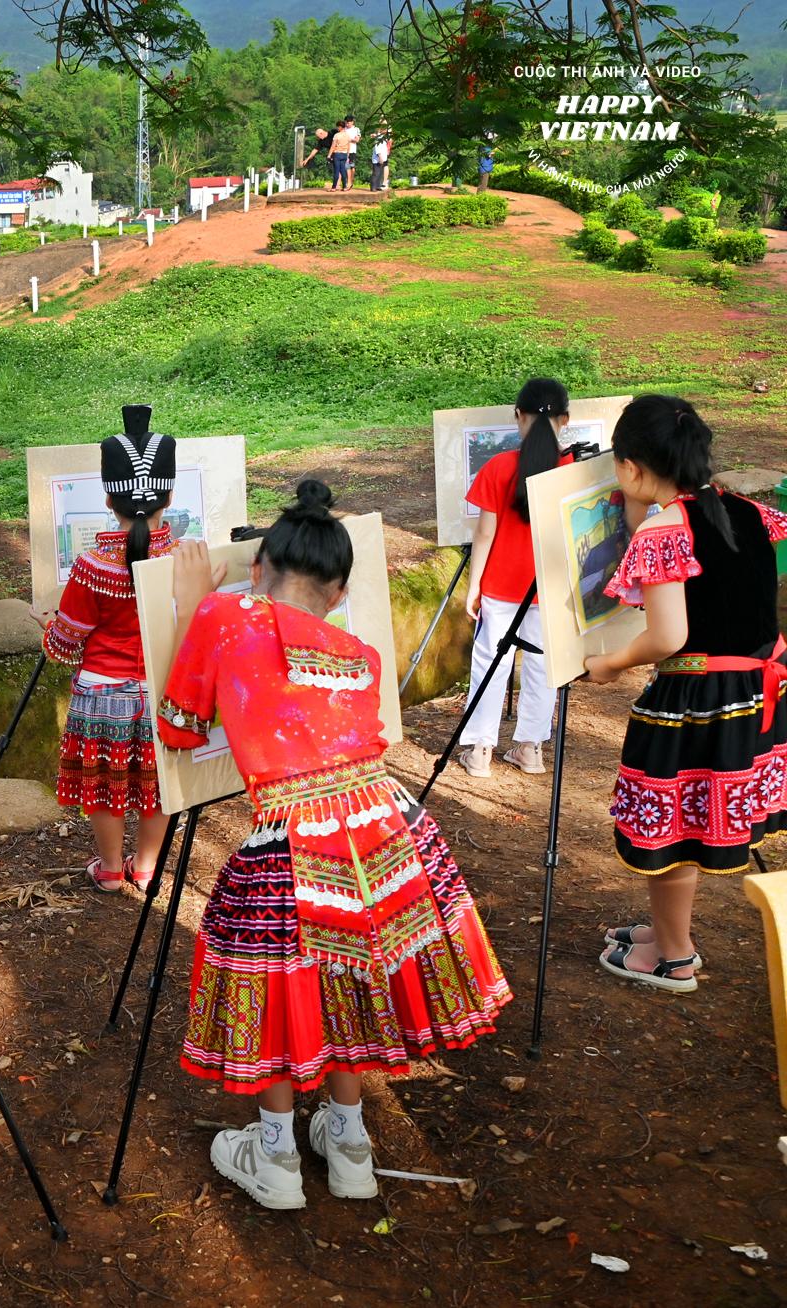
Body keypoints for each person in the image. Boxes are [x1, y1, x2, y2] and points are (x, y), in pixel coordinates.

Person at [158, 480, 512, 1211]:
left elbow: (178, 727)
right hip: (386, 827)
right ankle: (350, 1146)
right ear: (342, 590)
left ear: (256, 571)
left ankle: (278, 1156)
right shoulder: (359, 653)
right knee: (354, 974)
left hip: (291, 836)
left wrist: (192, 603)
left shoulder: (224, 616)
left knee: (279, 978)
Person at [587, 396, 787, 993]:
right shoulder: (750, 512)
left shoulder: (664, 530)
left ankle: (673, 956)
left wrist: (609, 662)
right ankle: (666, 930)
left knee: (672, 828)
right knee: (694, 819)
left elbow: (668, 635)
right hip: (755, 691)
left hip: (698, 701)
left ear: (628, 467)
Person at [41, 406, 176, 890]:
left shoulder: (92, 565)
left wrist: (50, 628)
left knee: (104, 786)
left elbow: (64, 643)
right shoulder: (187, 559)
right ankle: (147, 867)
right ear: (171, 495)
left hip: (101, 694)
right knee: (159, 785)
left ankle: (112, 870)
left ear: (106, 497)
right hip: (163, 693)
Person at [456, 378, 574, 778]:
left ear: (518, 417)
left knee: (491, 662)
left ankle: (480, 752)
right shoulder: (572, 469)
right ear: (565, 420)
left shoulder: (497, 467)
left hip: (501, 586)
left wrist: (474, 585)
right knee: (543, 665)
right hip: (550, 588)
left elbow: (485, 533)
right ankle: (531, 749)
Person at [339, 115, 361, 191]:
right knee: (345, 167)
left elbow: (357, 140)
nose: (347, 124)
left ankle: (351, 181)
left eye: (348, 123)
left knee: (352, 168)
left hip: (352, 151)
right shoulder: (344, 129)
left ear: (352, 122)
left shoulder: (356, 129)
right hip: (343, 150)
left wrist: (348, 139)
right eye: (346, 123)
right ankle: (346, 183)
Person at [326, 121, 349, 190]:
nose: (337, 128)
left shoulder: (337, 135)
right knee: (343, 171)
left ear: (340, 127)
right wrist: (347, 155)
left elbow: (333, 146)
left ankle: (333, 187)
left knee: (336, 171)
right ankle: (344, 186)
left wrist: (329, 155)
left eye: (337, 127)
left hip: (337, 154)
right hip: (344, 154)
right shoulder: (347, 135)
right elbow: (349, 146)